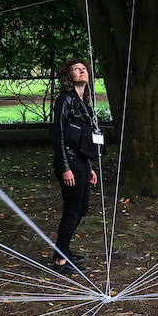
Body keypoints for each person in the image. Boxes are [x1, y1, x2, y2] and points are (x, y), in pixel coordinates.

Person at [50, 58, 101, 271]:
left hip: (80, 162)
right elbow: (59, 135)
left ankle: (62, 251)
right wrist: (65, 168)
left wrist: (89, 167)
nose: (81, 71)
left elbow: (86, 139)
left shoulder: (84, 105)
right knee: (72, 211)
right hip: (69, 161)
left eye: (83, 69)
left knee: (81, 209)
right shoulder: (65, 100)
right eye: (75, 69)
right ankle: (60, 261)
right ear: (68, 77)